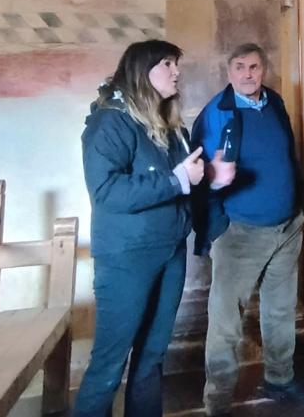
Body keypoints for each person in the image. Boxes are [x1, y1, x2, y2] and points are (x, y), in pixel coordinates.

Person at [74, 40, 233, 417]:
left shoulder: (168, 123)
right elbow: (106, 191)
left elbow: (182, 178)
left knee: (151, 358)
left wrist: (210, 175)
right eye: (167, 64)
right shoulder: (110, 121)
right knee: (110, 364)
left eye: (176, 63)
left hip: (169, 251)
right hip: (127, 257)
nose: (176, 71)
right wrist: (179, 179)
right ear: (141, 71)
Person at [192, 44, 304, 415]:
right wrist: (219, 228)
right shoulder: (217, 113)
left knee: (280, 311)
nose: (248, 74)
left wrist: (295, 209)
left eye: (254, 67)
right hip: (241, 233)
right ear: (228, 71)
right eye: (240, 67)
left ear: (264, 70)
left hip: (287, 227)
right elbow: (200, 175)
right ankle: (218, 399)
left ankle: (280, 380)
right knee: (226, 321)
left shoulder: (274, 103)